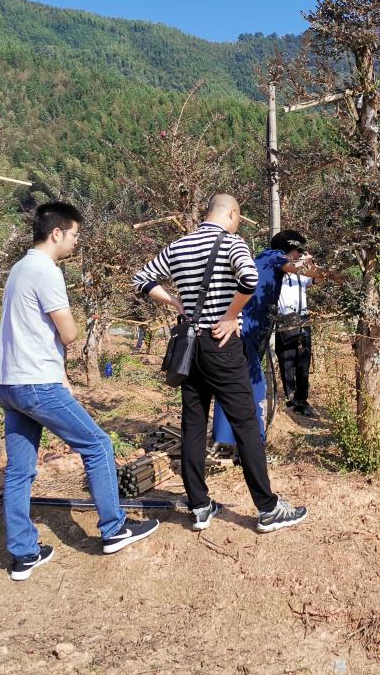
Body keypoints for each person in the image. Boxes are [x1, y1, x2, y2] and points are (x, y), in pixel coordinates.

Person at [0, 202, 158, 581]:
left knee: (19, 470)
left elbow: (32, 333)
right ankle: (114, 529)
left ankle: (23, 554)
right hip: (37, 383)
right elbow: (67, 333)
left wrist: (61, 372)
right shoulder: (46, 271)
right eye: (74, 235)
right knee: (97, 445)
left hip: (8, 382)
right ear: (56, 233)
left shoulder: (19, 268)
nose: (75, 242)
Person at [131, 195, 307, 533]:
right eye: (238, 217)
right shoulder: (232, 242)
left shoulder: (179, 246)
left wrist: (177, 303)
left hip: (189, 346)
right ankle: (268, 509)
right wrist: (230, 315)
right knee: (246, 423)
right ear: (233, 213)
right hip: (222, 344)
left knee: (193, 425)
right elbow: (249, 279)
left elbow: (142, 278)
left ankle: (199, 506)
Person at [210, 229, 338, 448]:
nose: (300, 256)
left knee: (238, 383)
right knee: (253, 386)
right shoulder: (272, 256)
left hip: (252, 331)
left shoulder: (268, 261)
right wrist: (332, 274)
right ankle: (247, 443)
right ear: (291, 249)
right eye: (299, 251)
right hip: (246, 331)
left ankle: (227, 439)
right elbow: (302, 269)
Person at [275, 269, 314, 415]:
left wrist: (311, 264)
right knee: (286, 362)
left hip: (303, 320)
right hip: (284, 322)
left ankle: (301, 401)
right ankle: (291, 397)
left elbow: (318, 278)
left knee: (303, 363)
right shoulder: (277, 276)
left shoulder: (302, 274)